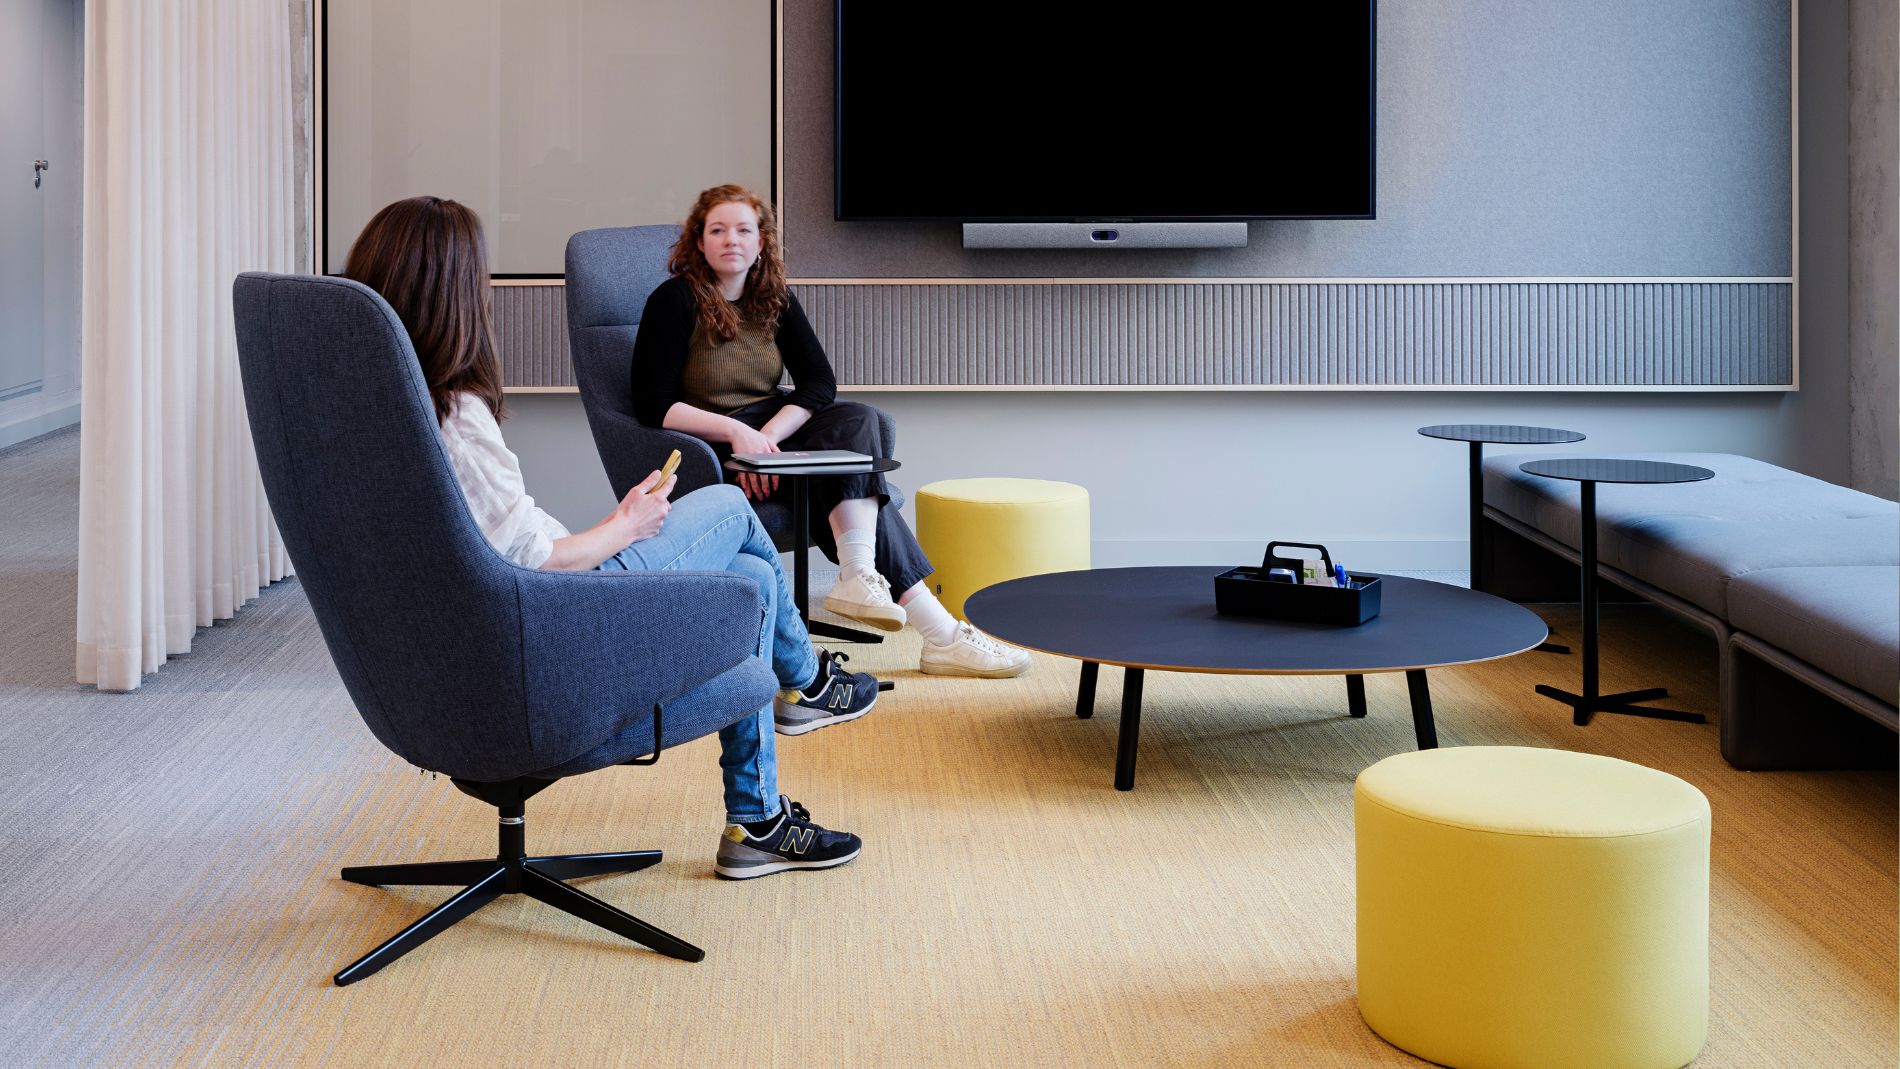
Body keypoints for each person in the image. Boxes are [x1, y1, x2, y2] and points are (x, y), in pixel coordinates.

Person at [344, 195, 866, 881]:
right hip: (557, 622)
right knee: (729, 512)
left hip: (477, 636)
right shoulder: (457, 417)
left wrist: (614, 524)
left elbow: (495, 549)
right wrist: (626, 526)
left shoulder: (377, 404)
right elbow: (533, 559)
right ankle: (805, 681)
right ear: (452, 294)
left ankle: (757, 819)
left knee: (755, 577)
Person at [630, 184, 1031, 679]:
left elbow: (820, 382)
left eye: (743, 229)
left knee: (858, 420)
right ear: (699, 242)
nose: (731, 239)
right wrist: (739, 441)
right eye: (717, 230)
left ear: (761, 243)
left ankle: (858, 573)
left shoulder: (772, 299)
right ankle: (939, 633)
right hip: (710, 442)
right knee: (837, 481)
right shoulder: (673, 300)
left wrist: (769, 442)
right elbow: (653, 405)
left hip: (771, 432)